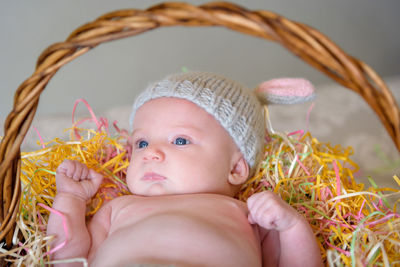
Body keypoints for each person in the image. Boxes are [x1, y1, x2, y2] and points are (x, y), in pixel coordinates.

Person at [47, 72, 323, 267]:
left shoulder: (249, 216)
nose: (151, 153)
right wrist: (70, 199)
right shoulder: (118, 208)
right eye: (141, 142)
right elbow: (67, 260)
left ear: (236, 169)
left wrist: (291, 226)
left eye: (180, 140)